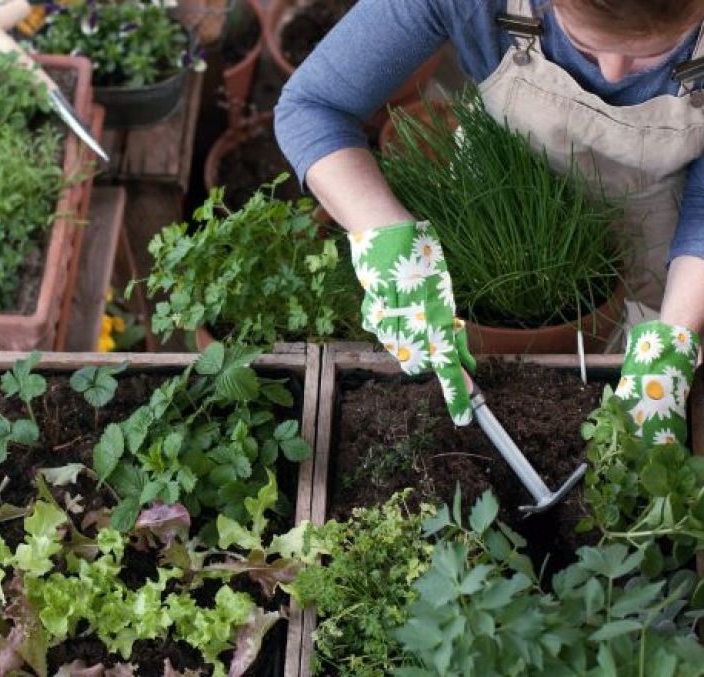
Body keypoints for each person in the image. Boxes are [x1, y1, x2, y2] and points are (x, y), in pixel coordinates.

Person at [275, 0, 704, 447]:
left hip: (663, 230)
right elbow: (313, 105)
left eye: (656, 54)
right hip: (498, 205)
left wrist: (674, 336)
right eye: (584, 43)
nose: (613, 73)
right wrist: (386, 235)